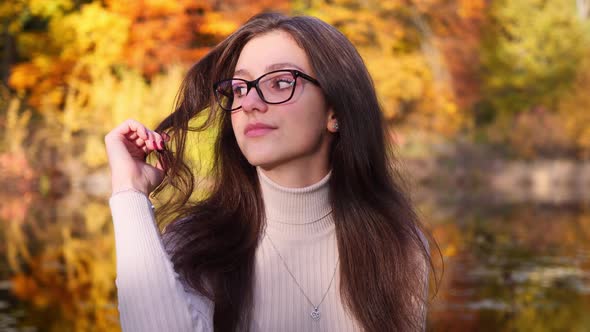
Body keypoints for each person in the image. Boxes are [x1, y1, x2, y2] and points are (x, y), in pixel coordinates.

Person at [105, 12, 435, 332]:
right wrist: (129, 194)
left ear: (335, 112)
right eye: (238, 88)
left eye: (279, 82)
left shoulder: (397, 246)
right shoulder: (198, 243)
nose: (249, 102)